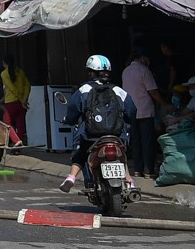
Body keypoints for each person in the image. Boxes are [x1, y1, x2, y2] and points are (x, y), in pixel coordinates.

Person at [59, 54, 134, 193]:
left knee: (80, 153)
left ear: (91, 72)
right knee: (121, 154)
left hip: (91, 135)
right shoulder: (118, 90)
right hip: (117, 135)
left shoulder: (84, 89)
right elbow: (132, 111)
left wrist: (69, 120)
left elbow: (73, 111)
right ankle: (130, 181)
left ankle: (71, 177)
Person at [120, 49, 163, 177]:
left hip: (130, 111)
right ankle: (149, 170)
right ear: (143, 58)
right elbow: (153, 91)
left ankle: (138, 170)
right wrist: (165, 104)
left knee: (136, 142)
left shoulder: (126, 71)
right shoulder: (144, 70)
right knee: (148, 142)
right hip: (144, 111)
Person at [0, 54, 30, 145]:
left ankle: (16, 141)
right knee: (20, 124)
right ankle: (19, 148)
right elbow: (28, 86)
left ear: (4, 63)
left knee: (7, 122)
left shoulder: (4, 74)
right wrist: (24, 99)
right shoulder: (20, 72)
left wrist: (21, 99)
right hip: (21, 104)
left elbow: (12, 88)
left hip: (10, 102)